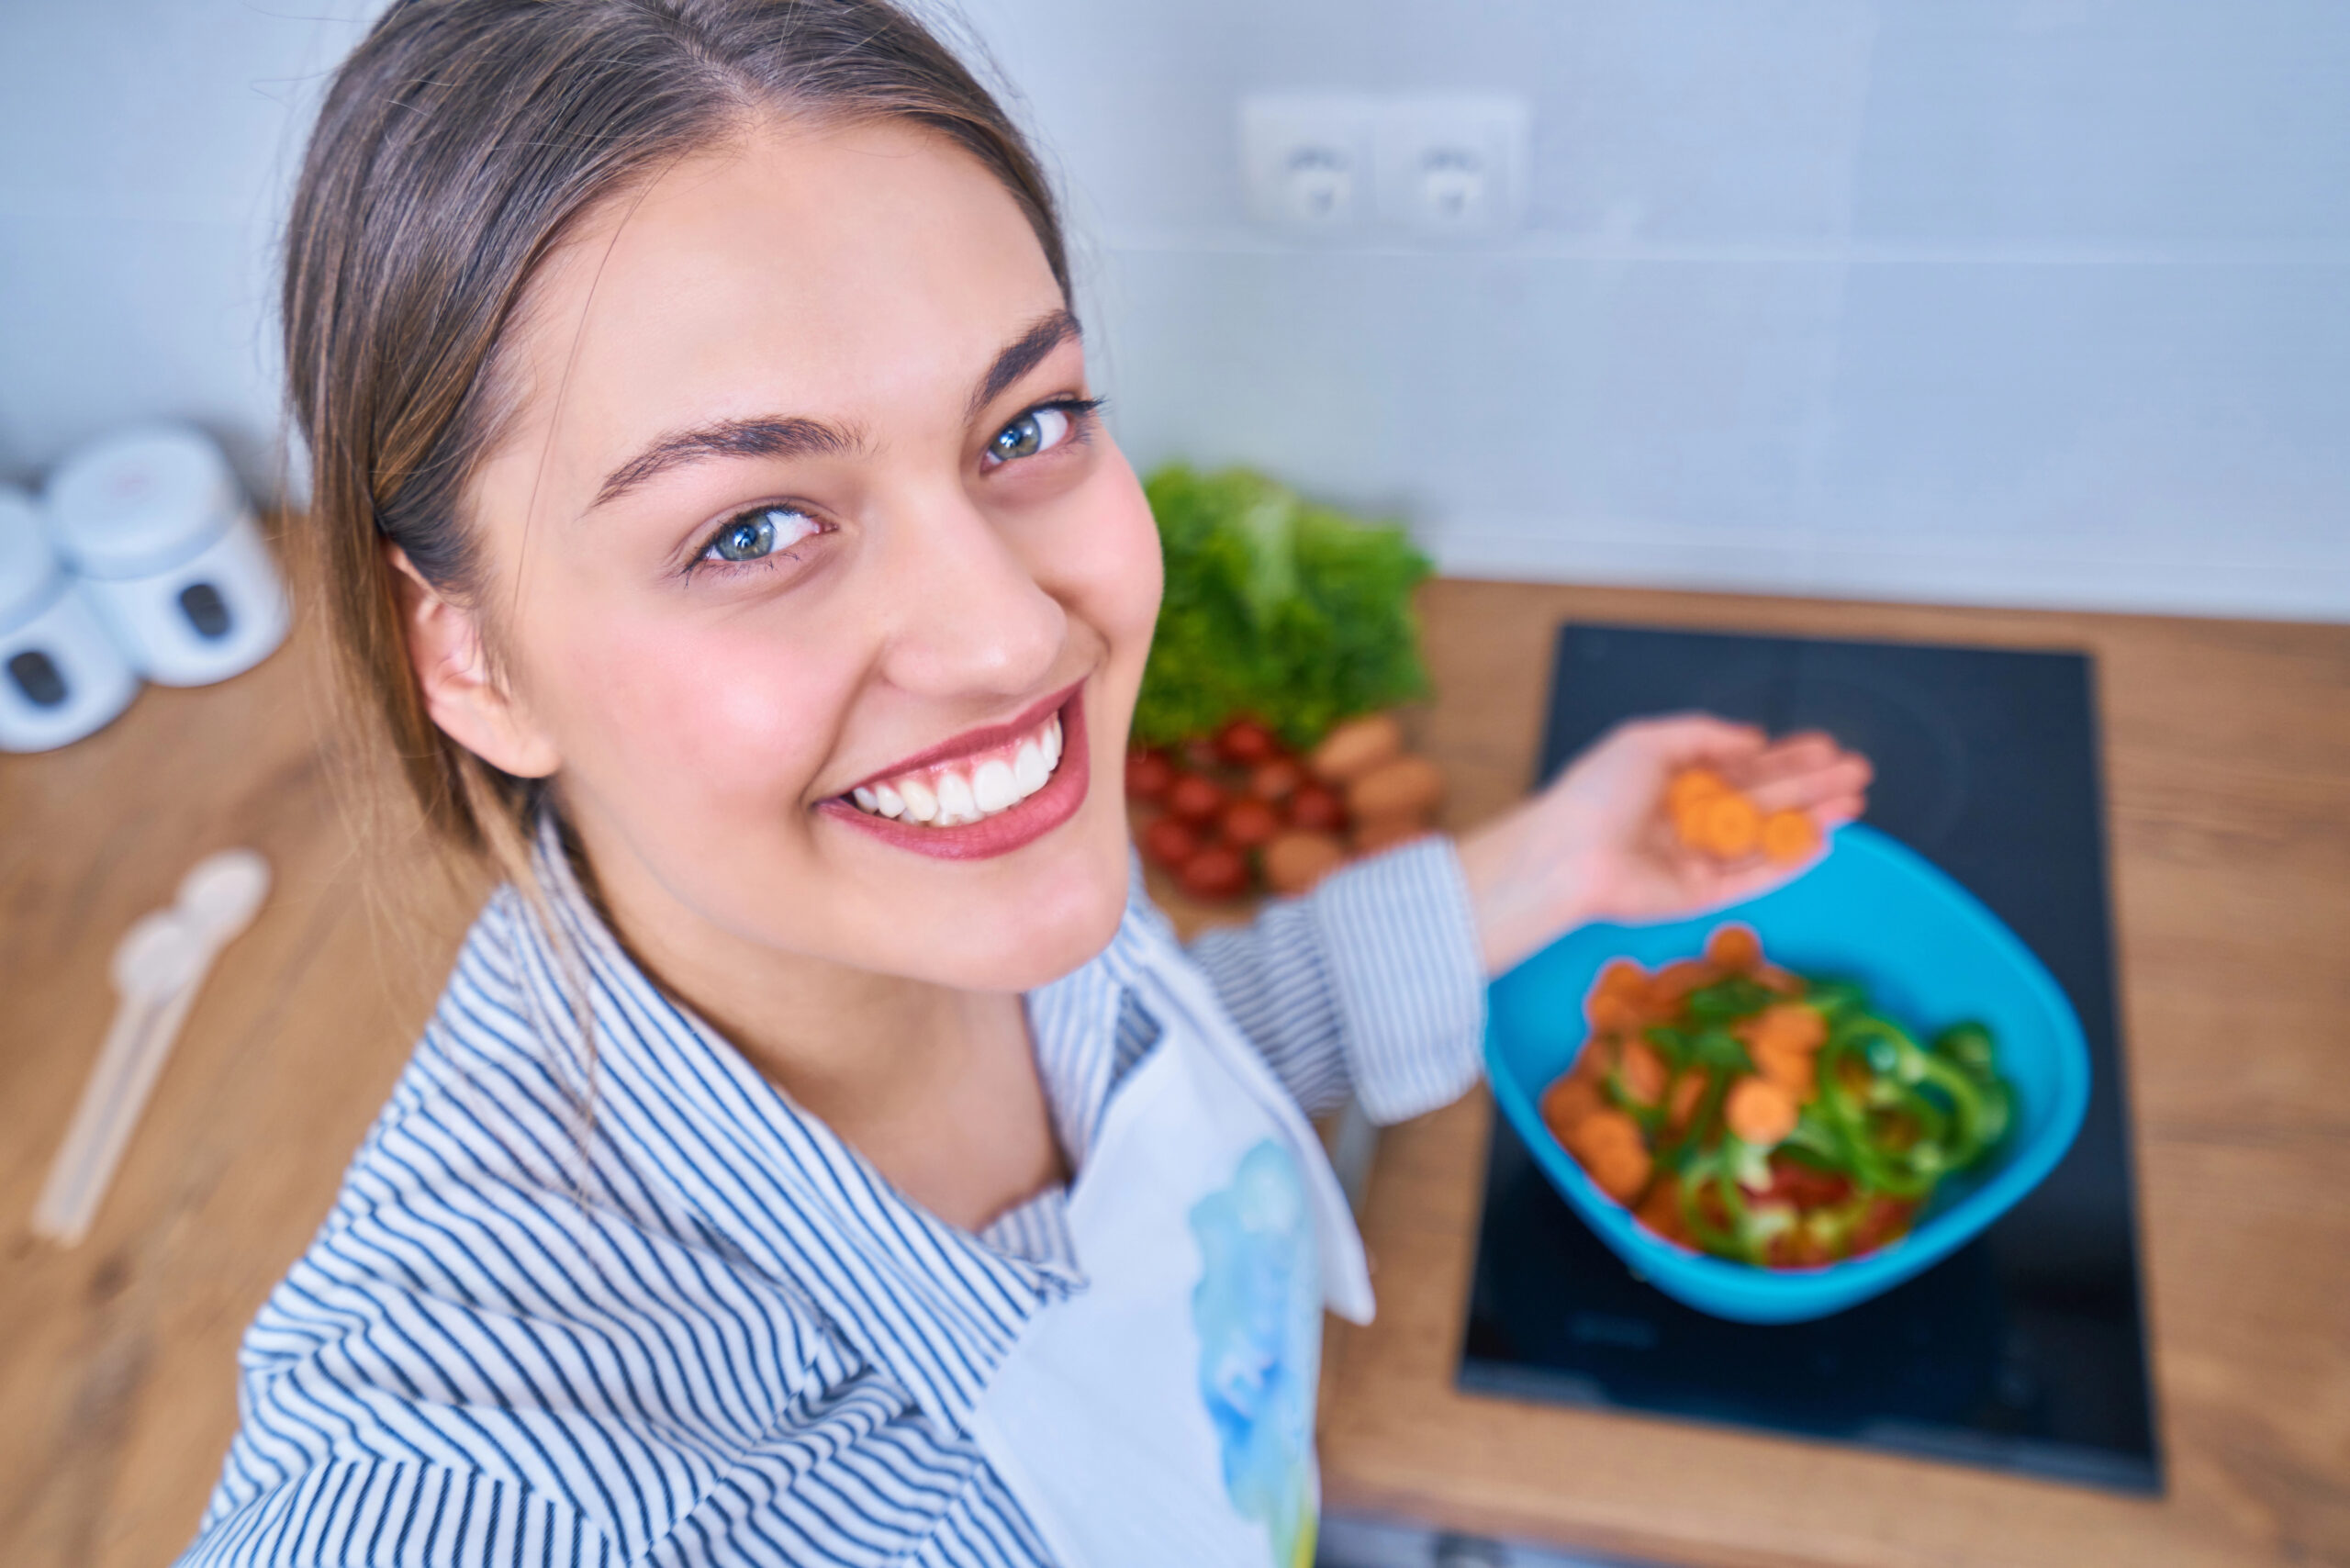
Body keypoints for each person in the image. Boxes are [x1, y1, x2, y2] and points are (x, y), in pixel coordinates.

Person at [178, 2, 1870, 1563]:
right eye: (751, 529)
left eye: (1026, 427)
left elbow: (1146, 1073)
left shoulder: (950, 873)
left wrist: (1549, 870)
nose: (1011, 638)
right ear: (466, 659)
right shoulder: (479, 1469)